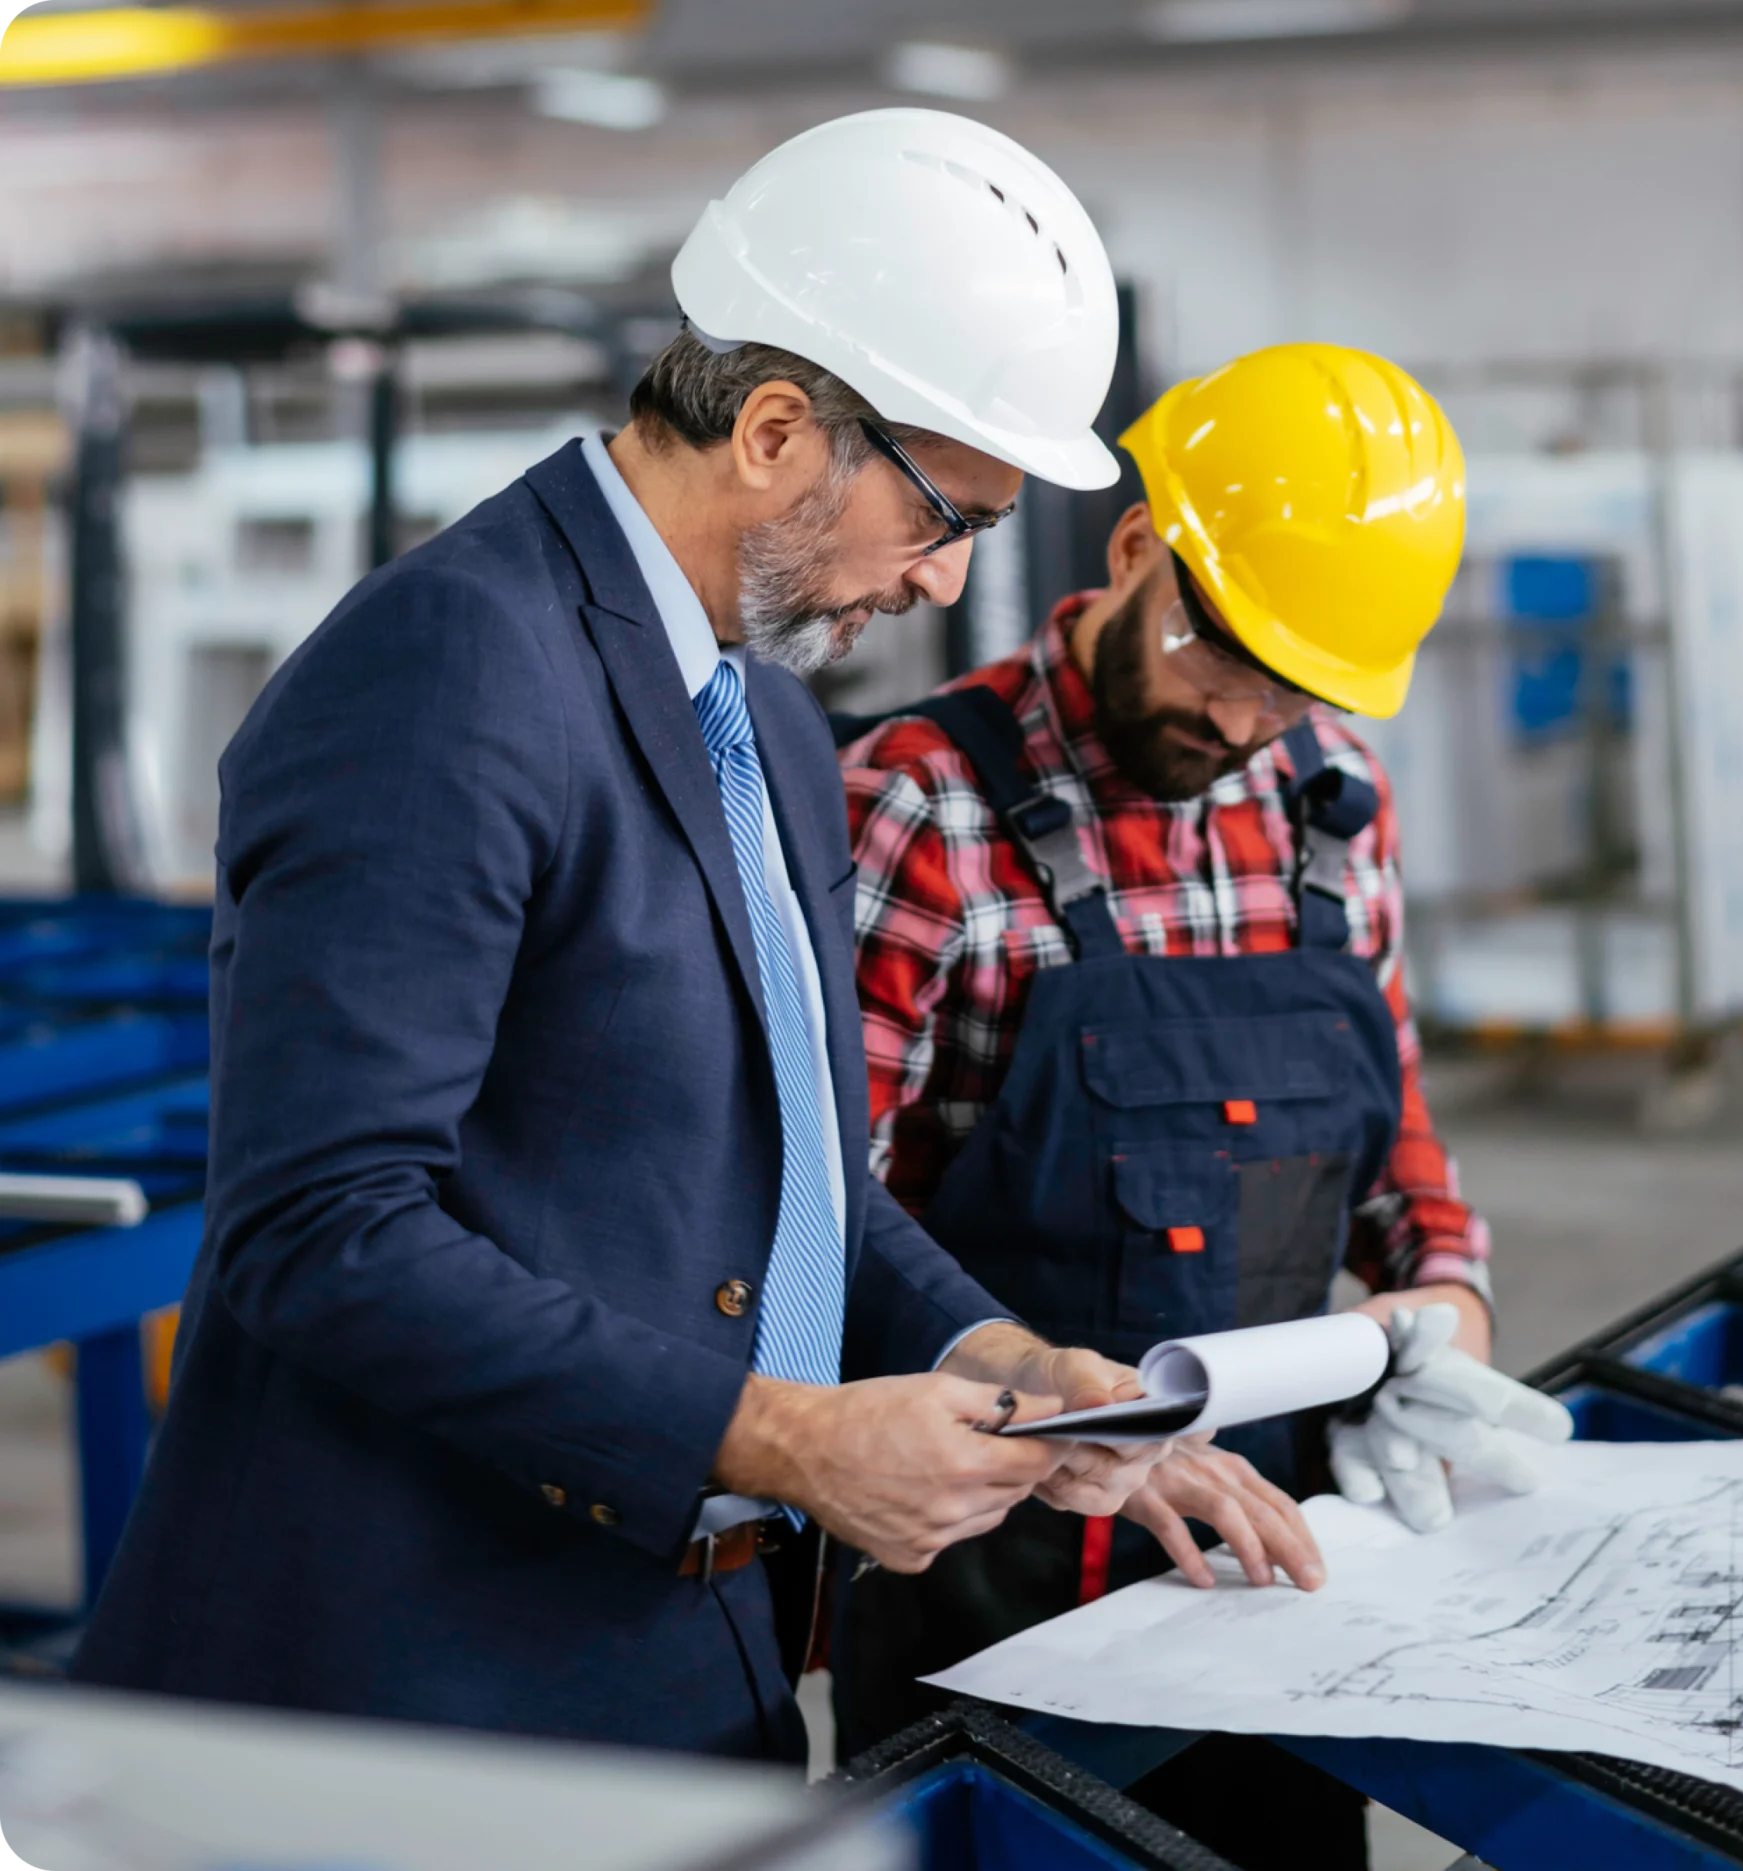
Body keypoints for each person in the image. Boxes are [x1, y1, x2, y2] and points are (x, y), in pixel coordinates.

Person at [70, 108, 1224, 1763]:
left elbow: (799, 1189)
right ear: (771, 432)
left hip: (685, 1642)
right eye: (944, 516)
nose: (949, 585)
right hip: (408, 1698)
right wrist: (785, 1438)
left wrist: (1015, 1358)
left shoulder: (768, 721)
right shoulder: (451, 673)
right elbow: (319, 1226)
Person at [833, 343, 1571, 1861]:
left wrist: (1448, 1299)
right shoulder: (920, 803)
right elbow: (815, 1226)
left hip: (1271, 1577)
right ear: (1132, 548)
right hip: (986, 1587)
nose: (1244, 721)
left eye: (1293, 684)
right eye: (1222, 654)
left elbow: (1394, 1134)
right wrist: (1036, 1405)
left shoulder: (1331, 803)